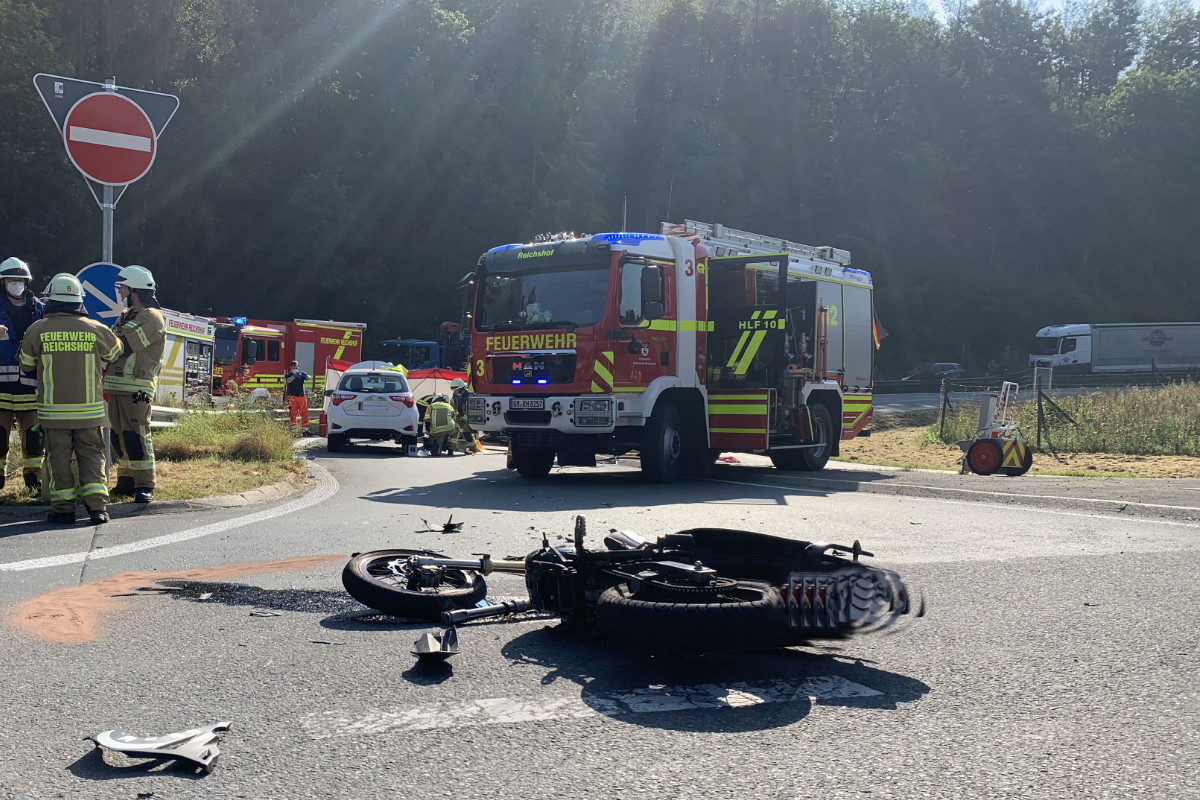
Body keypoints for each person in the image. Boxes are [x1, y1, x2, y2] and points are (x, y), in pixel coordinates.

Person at [18, 274, 121, 524]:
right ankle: (97, 508)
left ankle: (63, 510)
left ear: (51, 299)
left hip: (54, 415)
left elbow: (26, 364)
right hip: (89, 414)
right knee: (92, 457)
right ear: (79, 301)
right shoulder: (96, 329)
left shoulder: (37, 329)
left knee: (58, 460)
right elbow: (116, 353)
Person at [103, 265, 166, 504]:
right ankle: (126, 480)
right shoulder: (127, 315)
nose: (120, 291)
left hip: (137, 387)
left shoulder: (151, 317)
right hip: (117, 386)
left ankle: (145, 484)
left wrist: (99, 337)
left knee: (136, 434)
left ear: (134, 289)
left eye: (123, 287)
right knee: (119, 435)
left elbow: (123, 344)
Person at [0, 257, 45, 491]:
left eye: (20, 279)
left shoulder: (40, 310)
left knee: (34, 441)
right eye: (11, 279)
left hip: (31, 388)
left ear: (27, 282)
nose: (16, 283)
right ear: (3, 281)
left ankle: (34, 480)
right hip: (0, 390)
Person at [284, 361, 310, 434]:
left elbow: (309, 378)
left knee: (304, 413)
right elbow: (288, 381)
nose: (295, 368)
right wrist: (294, 376)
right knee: (293, 414)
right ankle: (293, 430)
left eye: (296, 367)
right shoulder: (288, 374)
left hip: (302, 397)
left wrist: (305, 375)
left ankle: (306, 430)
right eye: (293, 367)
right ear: (291, 367)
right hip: (292, 397)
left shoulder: (301, 374)